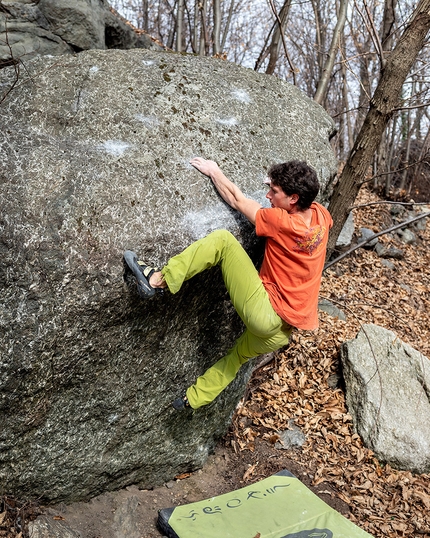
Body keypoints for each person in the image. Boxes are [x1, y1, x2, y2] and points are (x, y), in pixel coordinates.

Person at [123, 157, 332, 411]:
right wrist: (278, 183)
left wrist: (214, 171)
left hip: (266, 313)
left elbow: (236, 199)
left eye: (274, 192)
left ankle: (157, 280)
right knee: (235, 358)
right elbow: (299, 203)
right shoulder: (322, 217)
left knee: (223, 240)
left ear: (294, 199)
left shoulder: (282, 222)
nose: (267, 195)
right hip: (281, 334)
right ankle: (194, 399)